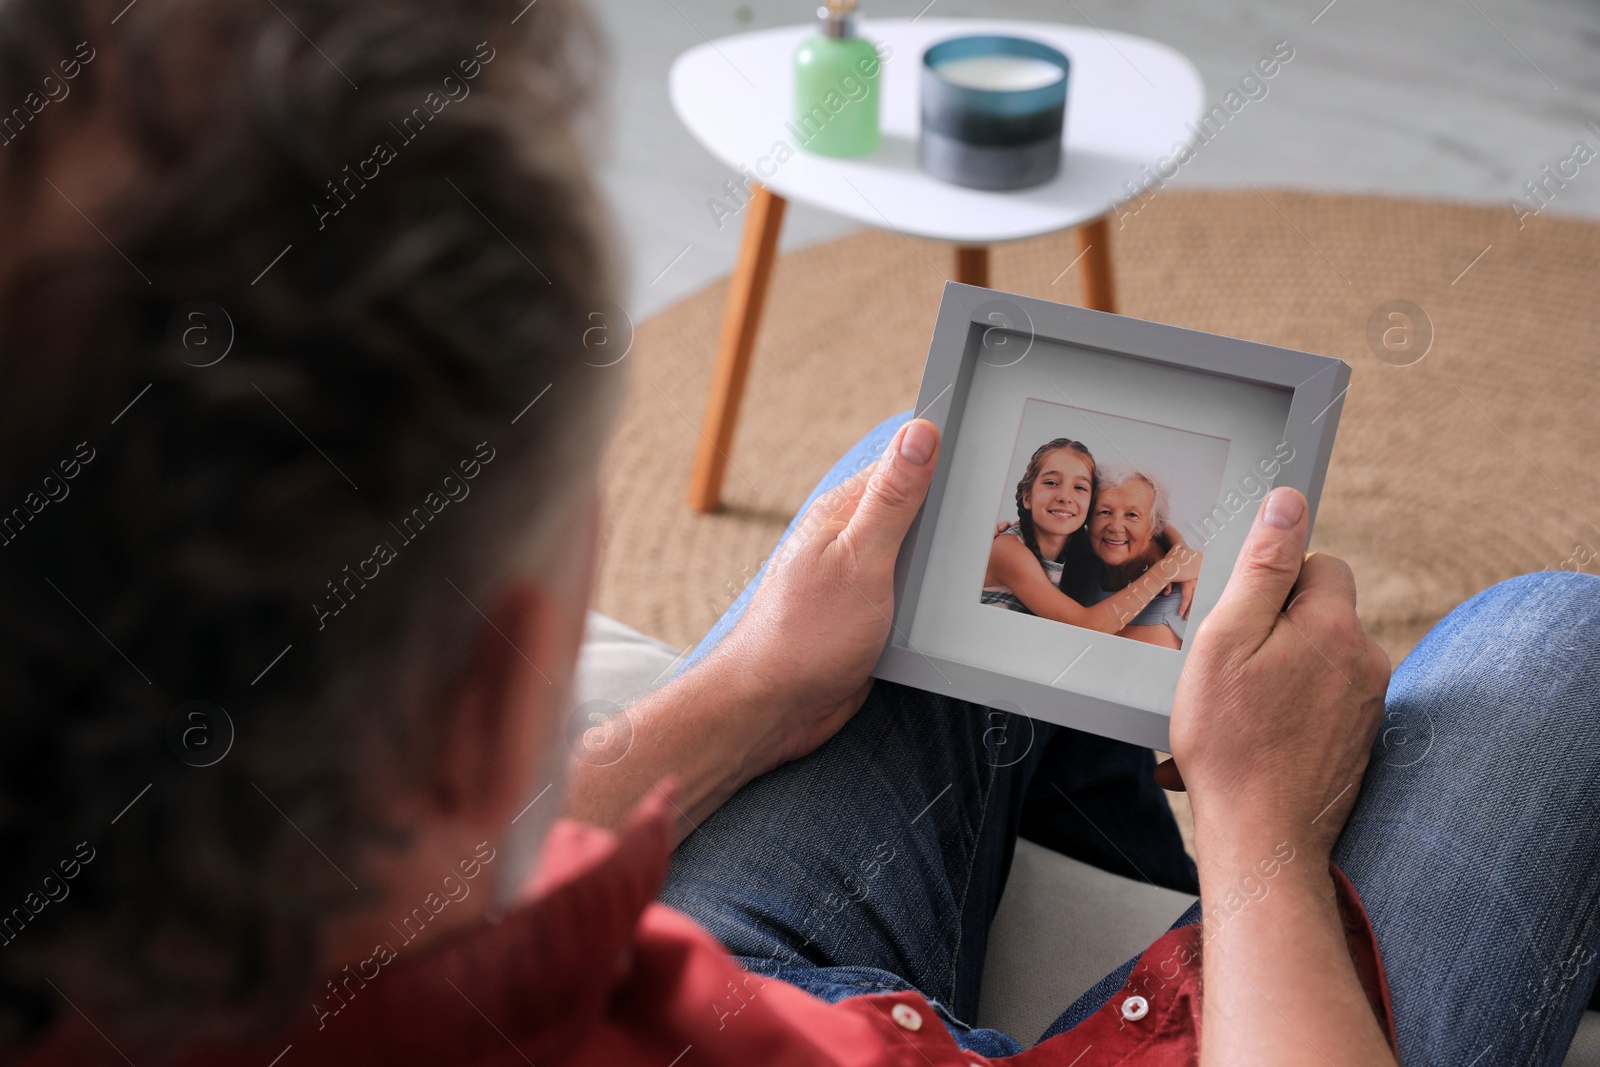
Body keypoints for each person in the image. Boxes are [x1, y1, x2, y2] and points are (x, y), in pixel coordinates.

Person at [5, 3, 1600, 1067]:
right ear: (480, 723)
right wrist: (1259, 847)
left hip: (748, 978)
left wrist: (749, 688)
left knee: (895, 522)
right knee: (1552, 654)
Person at [981, 438, 1199, 632]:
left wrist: (1180, 550)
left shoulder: (1075, 543)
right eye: (1051, 483)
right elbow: (1087, 626)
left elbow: (1147, 523)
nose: (1065, 497)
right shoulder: (1009, 551)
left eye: (1079, 487)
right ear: (1026, 497)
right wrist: (1166, 571)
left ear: (1087, 509)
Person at [1084, 466, 1195, 649]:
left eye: (1132, 515)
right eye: (1104, 512)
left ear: (1154, 528)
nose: (1115, 527)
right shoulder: (1087, 560)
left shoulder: (1170, 610)